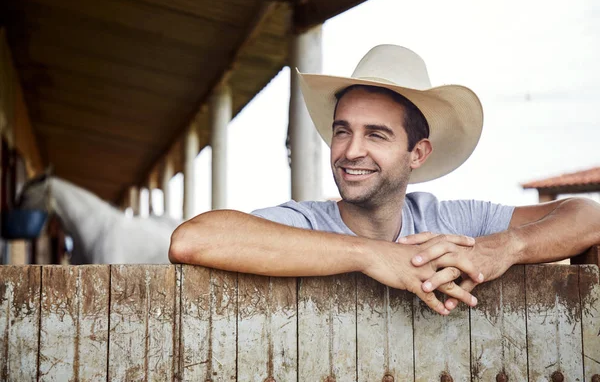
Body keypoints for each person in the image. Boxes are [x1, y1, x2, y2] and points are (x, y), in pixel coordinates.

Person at [169, 45, 600, 315]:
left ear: (418, 153)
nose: (351, 150)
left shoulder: (452, 221)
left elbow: (586, 215)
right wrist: (371, 255)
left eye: (376, 134)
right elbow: (192, 240)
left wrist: (504, 248)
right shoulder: (304, 223)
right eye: (342, 130)